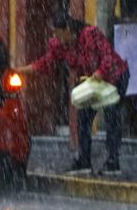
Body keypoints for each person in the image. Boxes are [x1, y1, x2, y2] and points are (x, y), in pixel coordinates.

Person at [16, 11, 129, 175]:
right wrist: (21, 71)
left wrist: (100, 72)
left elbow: (108, 57)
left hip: (114, 76)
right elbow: (46, 63)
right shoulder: (58, 45)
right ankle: (84, 161)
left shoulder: (90, 34)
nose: (56, 37)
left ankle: (113, 161)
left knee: (112, 117)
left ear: (68, 29)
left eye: (58, 33)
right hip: (90, 82)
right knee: (83, 119)